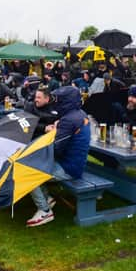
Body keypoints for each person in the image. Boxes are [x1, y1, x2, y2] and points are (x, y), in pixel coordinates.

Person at [27, 86, 91, 227]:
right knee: (34, 164)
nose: (55, 102)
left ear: (66, 101)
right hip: (76, 163)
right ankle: (47, 199)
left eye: (58, 99)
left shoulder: (68, 120)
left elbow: (56, 149)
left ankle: (45, 211)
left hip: (69, 168)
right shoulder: (80, 114)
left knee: (29, 172)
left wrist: (55, 131)